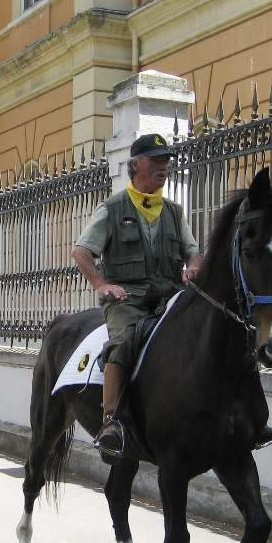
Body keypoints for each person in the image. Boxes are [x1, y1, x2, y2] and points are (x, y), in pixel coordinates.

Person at [71, 133, 204, 460]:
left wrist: (192, 269)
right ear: (135, 165)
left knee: (211, 331)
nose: (164, 167)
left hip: (170, 295)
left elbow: (194, 252)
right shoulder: (112, 209)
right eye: (156, 161)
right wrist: (102, 285)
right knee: (124, 342)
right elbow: (81, 251)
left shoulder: (174, 211)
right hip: (126, 300)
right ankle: (111, 422)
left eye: (166, 162)